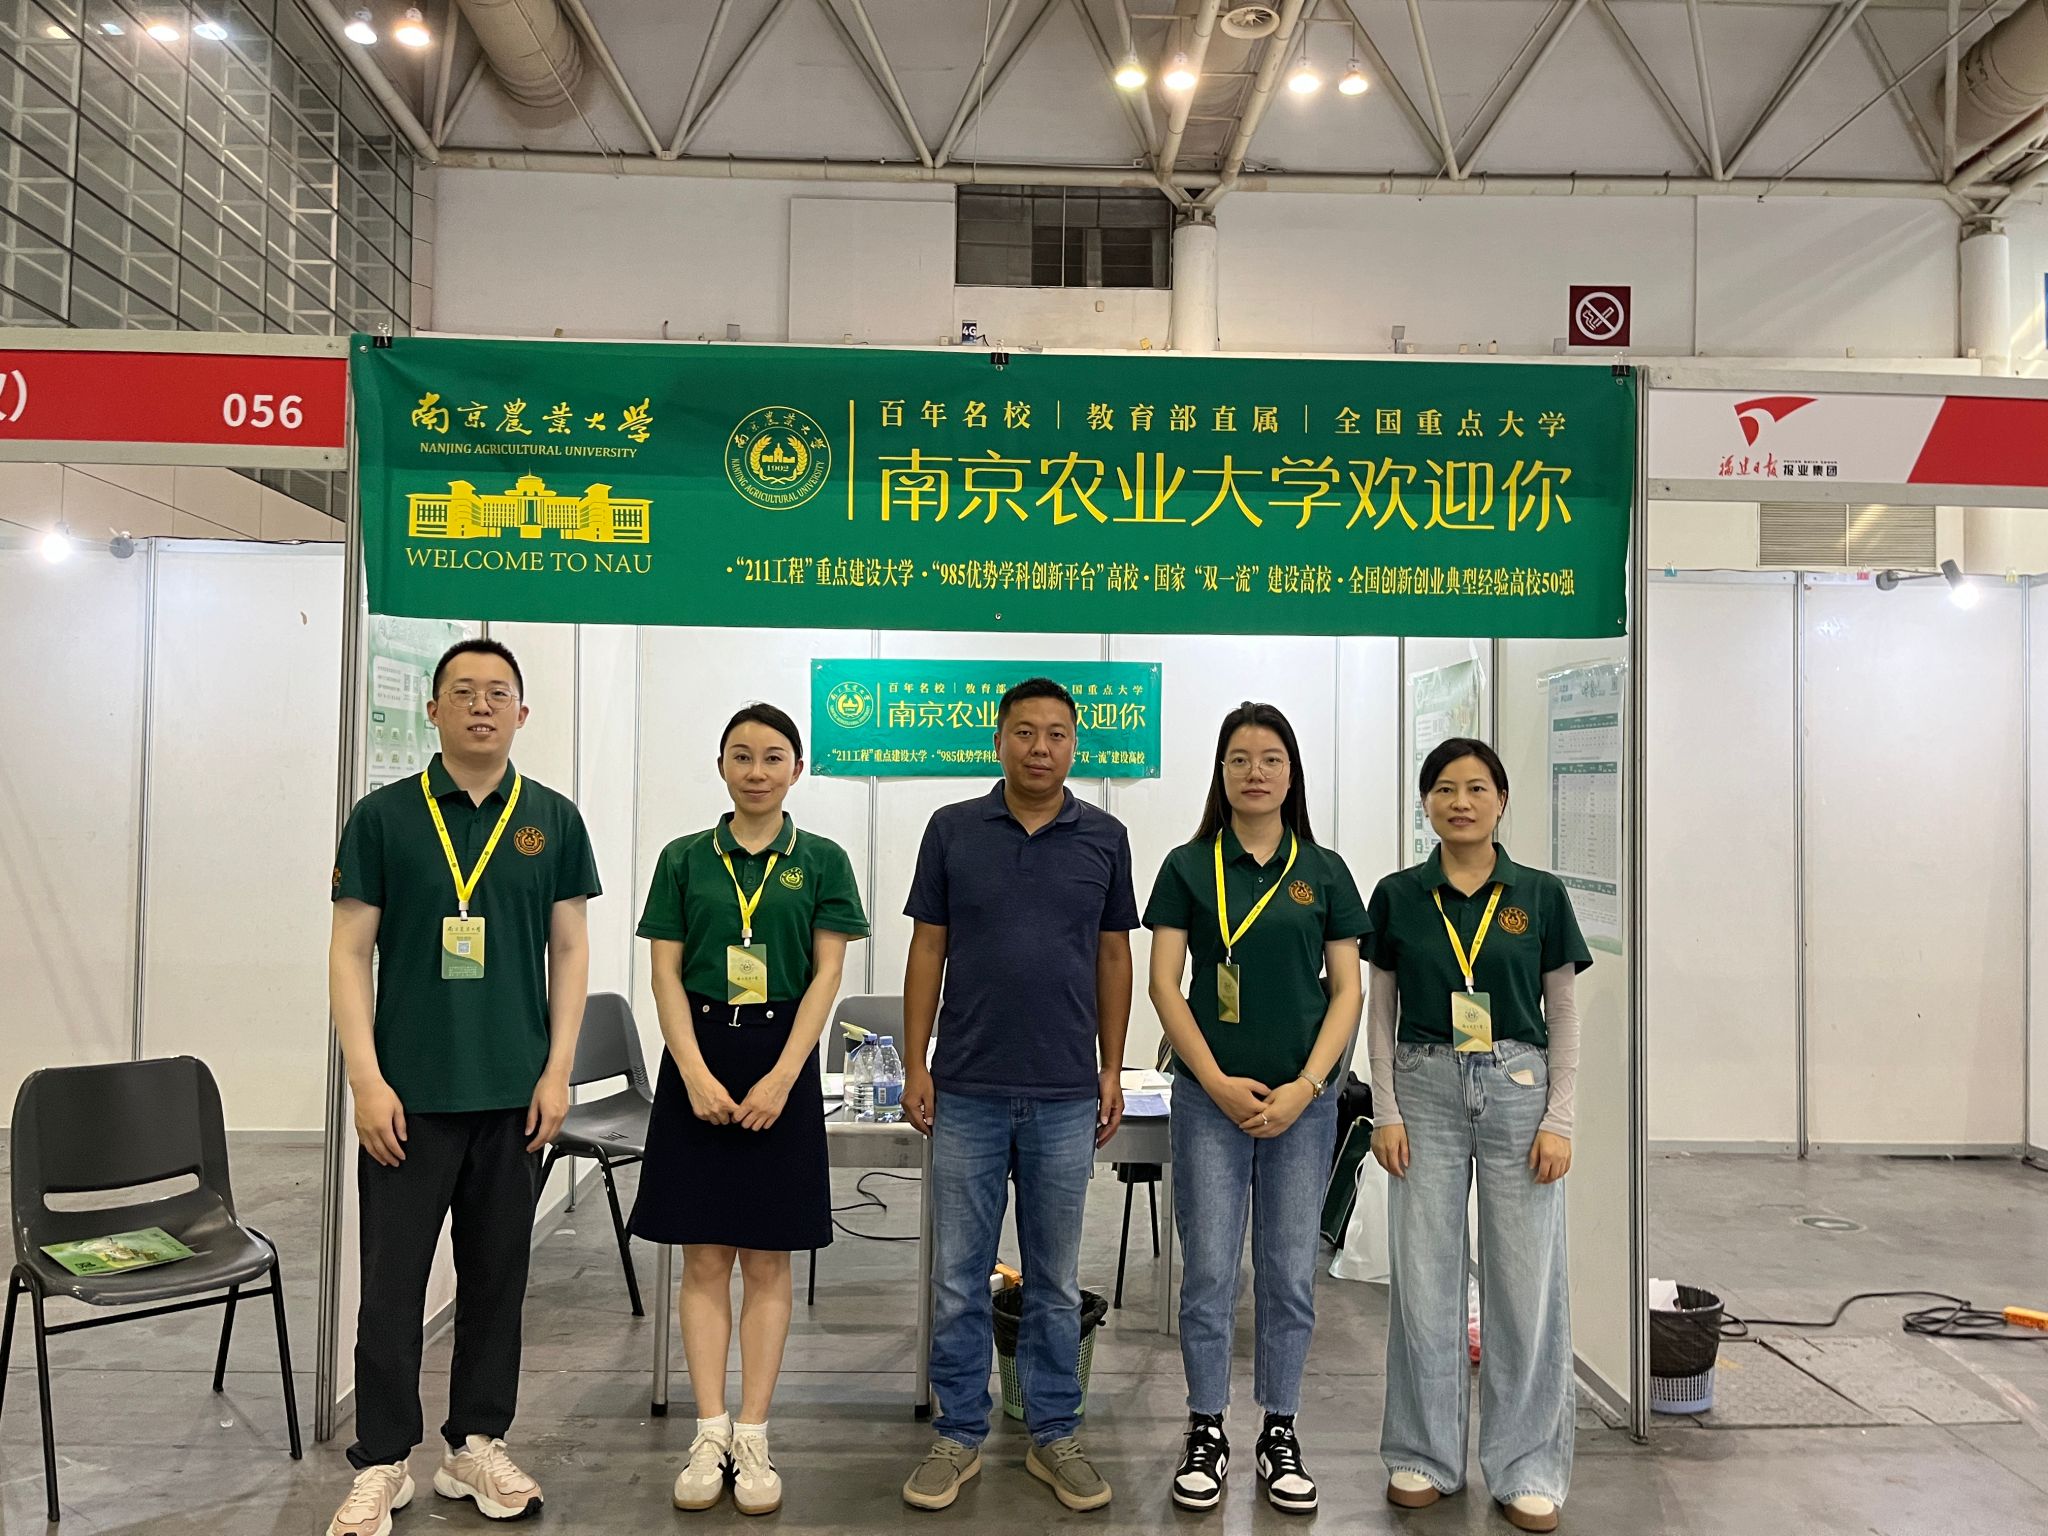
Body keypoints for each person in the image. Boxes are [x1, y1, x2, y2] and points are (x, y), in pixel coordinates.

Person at [327, 638, 600, 1536]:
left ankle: (475, 1444)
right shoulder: (383, 817)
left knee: (495, 1283)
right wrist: (366, 1079)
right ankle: (382, 1461)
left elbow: (570, 952)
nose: (481, 706)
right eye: (463, 691)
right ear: (433, 709)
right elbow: (348, 952)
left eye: (498, 693)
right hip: (405, 1103)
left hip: (515, 1099)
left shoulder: (553, 819)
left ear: (522, 713)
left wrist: (557, 1071)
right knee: (391, 1289)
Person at [898, 677, 1139, 1515]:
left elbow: (1115, 957)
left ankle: (1053, 1433)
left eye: (1057, 734)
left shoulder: (1105, 837)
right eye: (1025, 732)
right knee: (958, 1278)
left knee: (1055, 1281)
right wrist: (916, 1063)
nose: (1041, 747)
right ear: (997, 740)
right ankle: (959, 1433)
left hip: (1066, 1093)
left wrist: (1112, 1068)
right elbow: (928, 948)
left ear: (1076, 744)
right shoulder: (952, 829)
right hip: (966, 1087)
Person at [629, 703, 869, 1517]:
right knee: (704, 1257)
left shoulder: (823, 860)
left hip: (783, 1055)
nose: (756, 771)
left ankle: (755, 1434)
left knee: (768, 1260)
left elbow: (827, 976)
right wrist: (693, 1074)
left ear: (797, 769)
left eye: (772, 757)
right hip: (698, 1054)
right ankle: (709, 1431)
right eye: (741, 755)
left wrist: (784, 1078)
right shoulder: (683, 859)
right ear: (721, 766)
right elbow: (665, 975)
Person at [1143, 702, 1367, 1515]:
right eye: (1239, 759)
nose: (1255, 772)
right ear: (1221, 772)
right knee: (1208, 1270)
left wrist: (1309, 1086)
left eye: (1271, 758)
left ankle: (1280, 1428)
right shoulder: (1186, 866)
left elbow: (1348, 992)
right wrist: (1213, 1080)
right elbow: (1164, 984)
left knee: (1287, 1271)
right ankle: (1206, 1425)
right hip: (1210, 1102)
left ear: (1292, 773)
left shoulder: (1326, 871)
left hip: (1303, 1106)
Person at [1367, 738, 1589, 1535]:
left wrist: (1560, 1118)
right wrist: (1385, 1110)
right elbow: (1380, 1013)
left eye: (1476, 788)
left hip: (1518, 1088)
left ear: (1501, 801)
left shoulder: (1540, 894)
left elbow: (1563, 1014)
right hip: (1423, 1086)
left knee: (1525, 1286)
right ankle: (1422, 1454)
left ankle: (1526, 1466)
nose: (1460, 802)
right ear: (1425, 802)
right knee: (1423, 1278)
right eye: (1444, 789)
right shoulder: (1398, 895)